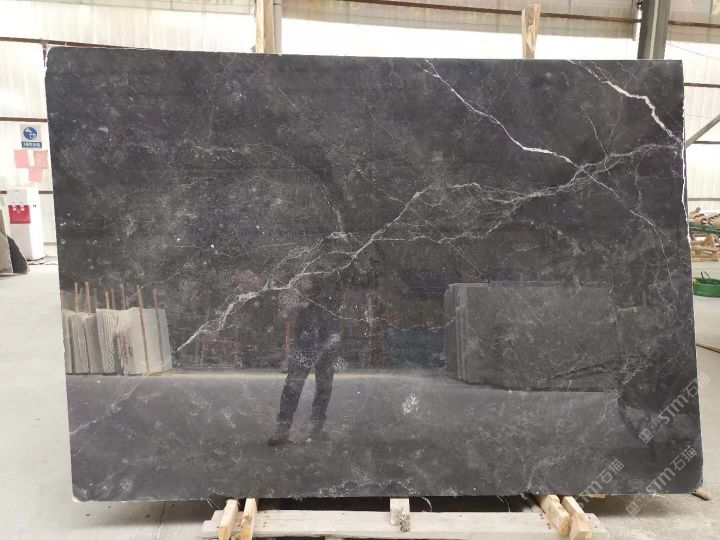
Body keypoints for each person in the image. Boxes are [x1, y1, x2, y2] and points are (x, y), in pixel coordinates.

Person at [268, 272, 343, 446]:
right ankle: (288, 428)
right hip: (309, 337)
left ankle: (306, 428)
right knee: (298, 385)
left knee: (319, 386)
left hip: (323, 337)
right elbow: (294, 306)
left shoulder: (333, 277)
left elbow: (335, 305)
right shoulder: (310, 277)